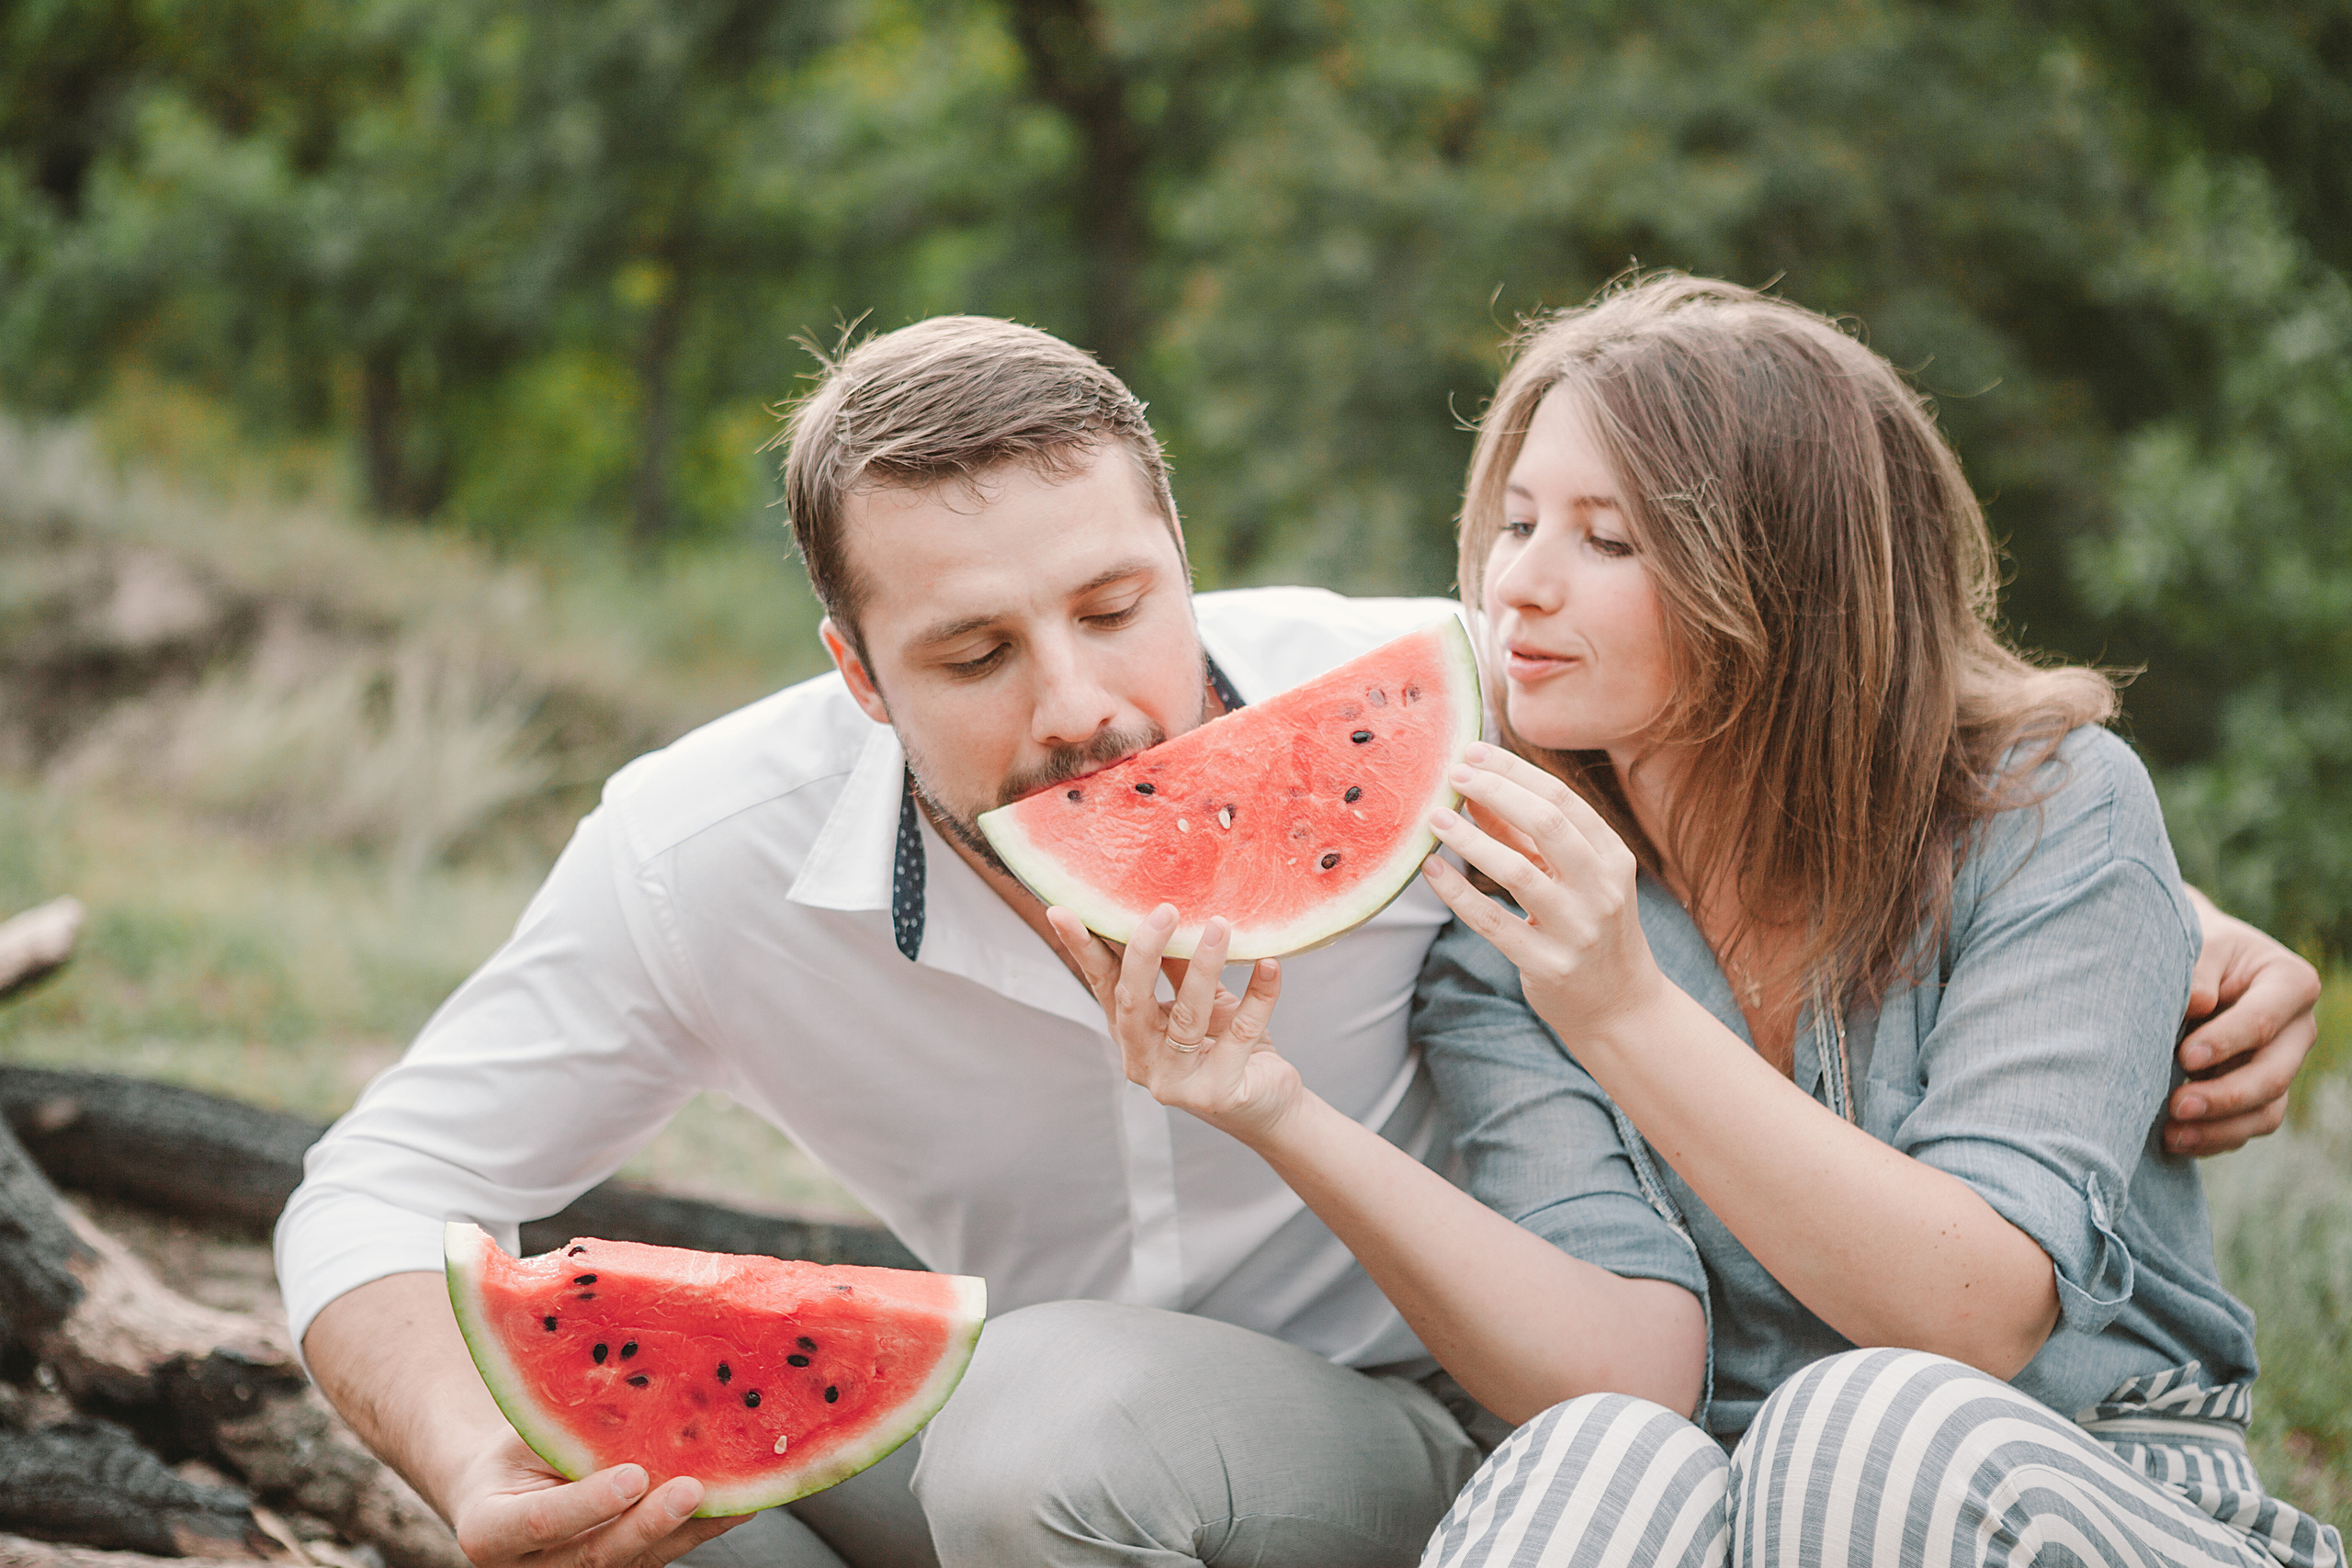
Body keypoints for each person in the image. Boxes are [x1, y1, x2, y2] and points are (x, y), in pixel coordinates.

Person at [277, 313, 2322, 1568]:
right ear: (855, 672)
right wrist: (471, 1453)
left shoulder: (1434, 715)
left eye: (1113, 604)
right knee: (649, 1460)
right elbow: (379, 1181)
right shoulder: (693, 849)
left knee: (1062, 1435)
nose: (1080, 702)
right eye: (974, 651)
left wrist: (2172, 932)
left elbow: (1863, 726)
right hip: (1469, 1434)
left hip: (1540, 1429)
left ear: (1184, 550)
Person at [1067, 276, 2340, 1568]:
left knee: (1859, 1429)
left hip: (2087, 1479)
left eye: (1605, 542)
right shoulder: (1511, 893)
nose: (1518, 587)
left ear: (1788, 583)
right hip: (1719, 1511)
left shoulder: (2054, 811)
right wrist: (1271, 1107)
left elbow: (1974, 1314)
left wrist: (1620, 1011)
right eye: (1515, 523)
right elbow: (1627, 1366)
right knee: (1593, 1455)